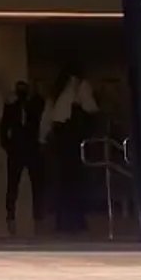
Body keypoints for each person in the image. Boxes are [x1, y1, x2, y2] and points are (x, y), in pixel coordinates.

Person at [41, 65, 99, 234]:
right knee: (75, 181)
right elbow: (91, 108)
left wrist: (43, 138)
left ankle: (63, 220)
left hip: (60, 135)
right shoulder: (79, 86)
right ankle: (75, 220)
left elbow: (48, 117)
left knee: (63, 180)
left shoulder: (58, 90)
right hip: (70, 135)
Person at [0, 80, 46, 234]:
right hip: (17, 149)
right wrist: (7, 145)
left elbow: (39, 119)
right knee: (13, 182)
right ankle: (10, 212)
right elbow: (4, 126)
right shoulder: (12, 106)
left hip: (32, 148)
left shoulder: (35, 105)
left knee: (37, 182)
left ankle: (38, 212)